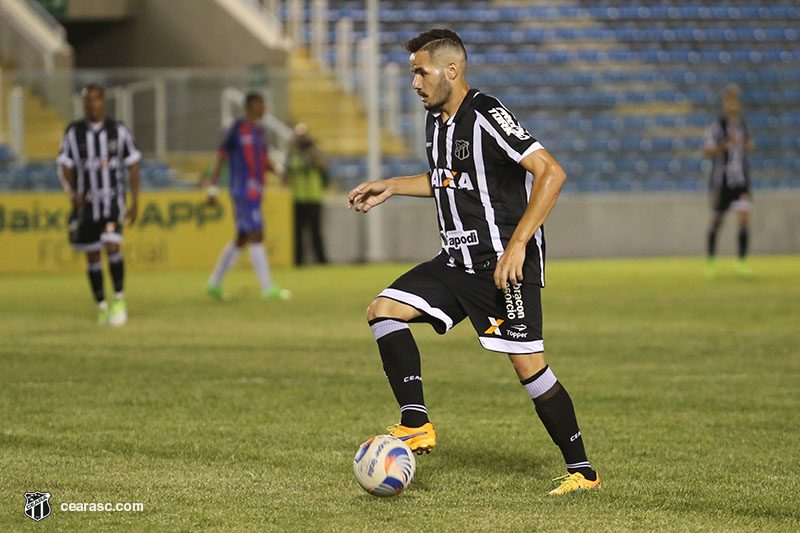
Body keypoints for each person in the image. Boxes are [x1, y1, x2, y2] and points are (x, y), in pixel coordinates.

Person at [348, 28, 600, 495]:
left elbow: (551, 172)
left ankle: (583, 472)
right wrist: (393, 185)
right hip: (456, 262)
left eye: (421, 72)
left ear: (452, 70)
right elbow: (446, 177)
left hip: (503, 267)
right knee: (383, 311)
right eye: (413, 74)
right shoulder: (434, 120)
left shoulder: (486, 113)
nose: (415, 83)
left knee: (530, 369)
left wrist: (519, 244)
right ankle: (415, 422)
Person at [57, 83, 140, 326]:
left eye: (95, 99)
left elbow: (133, 164)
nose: (91, 103)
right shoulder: (74, 132)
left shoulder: (119, 131)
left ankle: (119, 299)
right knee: (93, 255)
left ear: (103, 101)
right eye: (87, 99)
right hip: (87, 206)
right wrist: (71, 192)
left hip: (112, 203)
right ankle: (101, 305)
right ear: (83, 103)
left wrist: (135, 200)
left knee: (112, 247)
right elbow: (64, 165)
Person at [204, 92, 290, 300]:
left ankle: (214, 283)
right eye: (261, 104)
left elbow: (264, 158)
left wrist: (279, 171)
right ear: (251, 106)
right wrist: (213, 188)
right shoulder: (235, 129)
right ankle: (268, 288)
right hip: (242, 191)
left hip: (256, 191)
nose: (264, 108)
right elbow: (220, 157)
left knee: (242, 238)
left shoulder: (259, 131)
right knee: (256, 234)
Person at [702, 84, 755, 278]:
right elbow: (707, 151)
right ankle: (710, 261)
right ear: (724, 103)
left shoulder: (742, 125)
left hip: (741, 180)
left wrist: (748, 144)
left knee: (743, 216)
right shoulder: (717, 126)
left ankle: (741, 262)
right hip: (722, 181)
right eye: (729, 100)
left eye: (736, 100)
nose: (733, 104)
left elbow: (749, 145)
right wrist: (725, 143)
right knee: (716, 221)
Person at [286, 123, 329, 265]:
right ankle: (298, 261)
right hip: (298, 198)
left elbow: (323, 165)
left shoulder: (314, 151)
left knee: (315, 232)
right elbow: (287, 174)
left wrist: (309, 152)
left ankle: (321, 260)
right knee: (297, 233)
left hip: (313, 197)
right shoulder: (292, 154)